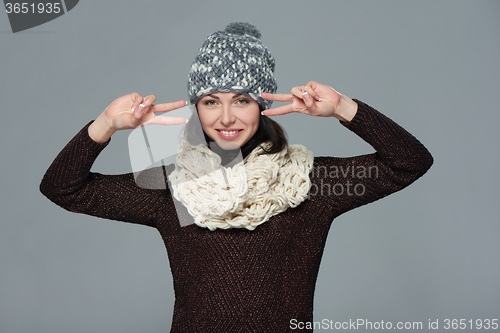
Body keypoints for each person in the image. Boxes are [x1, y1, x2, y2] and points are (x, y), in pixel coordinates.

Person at [40, 22, 433, 332]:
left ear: (262, 105)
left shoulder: (311, 182)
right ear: (198, 107)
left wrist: (345, 108)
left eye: (242, 100)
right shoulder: (170, 186)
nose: (226, 118)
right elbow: (62, 188)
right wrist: (105, 124)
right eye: (211, 102)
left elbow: (409, 162)